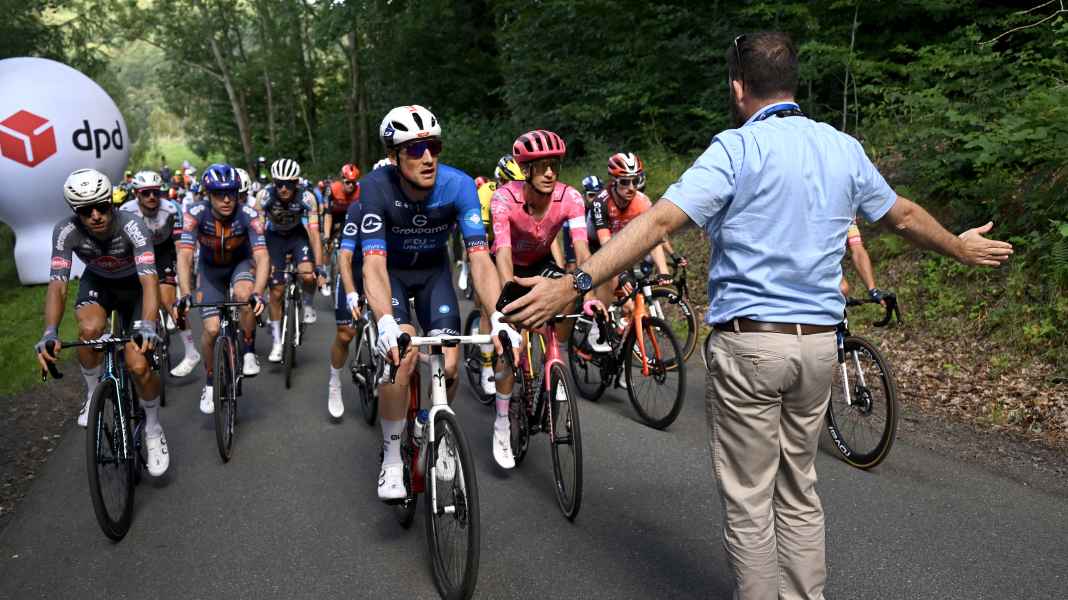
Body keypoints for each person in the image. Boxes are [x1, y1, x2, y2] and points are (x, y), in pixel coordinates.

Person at [503, 31, 1012, 600]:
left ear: (738, 88)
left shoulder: (735, 149)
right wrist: (961, 248)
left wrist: (576, 282)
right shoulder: (843, 148)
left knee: (751, 498)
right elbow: (904, 215)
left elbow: (660, 223)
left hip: (751, 345)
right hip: (819, 345)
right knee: (800, 488)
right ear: (791, 81)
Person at [361, 104, 520, 499]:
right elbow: (374, 266)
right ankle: (393, 458)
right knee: (402, 357)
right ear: (394, 156)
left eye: (433, 146)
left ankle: (436, 426)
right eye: (415, 149)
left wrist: (498, 316)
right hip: (393, 276)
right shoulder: (376, 187)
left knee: (449, 366)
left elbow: (479, 259)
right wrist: (384, 322)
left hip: (434, 275)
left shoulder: (459, 185)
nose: (427, 157)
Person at [36, 168, 170, 476]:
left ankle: (152, 428)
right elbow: (58, 284)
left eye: (102, 206)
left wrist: (148, 325)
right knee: (89, 330)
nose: (95, 215)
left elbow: (150, 282)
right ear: (75, 212)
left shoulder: (134, 226)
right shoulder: (65, 231)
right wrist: (49, 331)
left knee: (138, 365)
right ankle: (93, 393)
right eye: (85, 211)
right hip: (99, 284)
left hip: (136, 288)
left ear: (112, 202)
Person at [490, 129, 594, 467]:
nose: (550, 172)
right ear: (526, 170)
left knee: (568, 294)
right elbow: (502, 251)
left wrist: (587, 291)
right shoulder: (504, 198)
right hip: (509, 265)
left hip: (541, 262)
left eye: (554, 166)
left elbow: (582, 249)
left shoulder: (571, 198)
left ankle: (555, 358)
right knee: (508, 343)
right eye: (542, 166)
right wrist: (509, 295)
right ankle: (502, 421)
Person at [176, 164, 269, 414]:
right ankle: (209, 382)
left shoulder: (249, 214)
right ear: (208, 194)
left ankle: (248, 350)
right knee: (212, 329)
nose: (226, 199)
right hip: (210, 272)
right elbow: (184, 256)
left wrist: (258, 292)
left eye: (231, 192)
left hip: (239, 265)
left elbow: (261, 256)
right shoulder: (194, 213)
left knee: (244, 295)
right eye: (219, 193)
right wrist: (184, 293)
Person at [121, 171, 201, 377]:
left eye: (155, 192)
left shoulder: (172, 209)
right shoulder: (125, 212)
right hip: (137, 254)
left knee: (168, 301)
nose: (151, 197)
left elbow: (181, 250)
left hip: (164, 252)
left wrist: (184, 287)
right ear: (136, 194)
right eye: (146, 193)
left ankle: (191, 351)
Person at [256, 158, 327, 363]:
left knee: (307, 274)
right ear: (273, 183)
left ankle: (308, 302)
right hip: (274, 237)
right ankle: (277, 342)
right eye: (279, 183)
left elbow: (314, 234)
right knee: (276, 290)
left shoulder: (307, 197)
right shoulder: (264, 196)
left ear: (297, 183)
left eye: (288, 184)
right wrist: (260, 263)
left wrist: (320, 267)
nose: (283, 188)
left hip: (297, 236)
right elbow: (258, 232)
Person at [325, 196, 364, 419]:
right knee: (346, 333)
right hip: (354, 270)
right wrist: (351, 292)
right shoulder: (358, 208)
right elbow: (344, 255)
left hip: (383, 274)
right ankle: (334, 380)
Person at [840, 218, 885, 304]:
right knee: (842, 288)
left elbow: (857, 250)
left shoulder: (846, 214)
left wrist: (872, 289)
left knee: (842, 290)